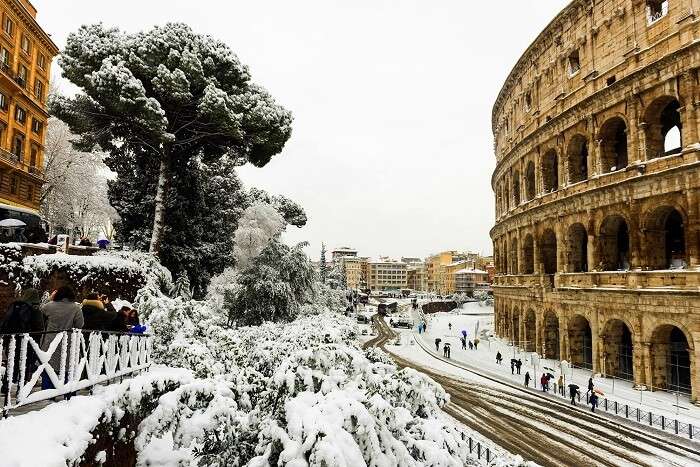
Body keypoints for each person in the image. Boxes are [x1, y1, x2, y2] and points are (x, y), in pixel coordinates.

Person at [0, 288, 44, 391]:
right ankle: (22, 386)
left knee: (12, 361)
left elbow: (6, 322)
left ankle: (6, 384)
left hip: (12, 339)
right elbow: (39, 327)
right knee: (25, 362)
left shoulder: (14, 305)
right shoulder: (35, 309)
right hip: (27, 341)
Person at [40, 286, 83, 390]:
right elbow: (80, 325)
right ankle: (68, 393)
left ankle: (48, 393)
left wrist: (50, 298)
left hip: (50, 341)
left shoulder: (49, 306)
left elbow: (40, 311)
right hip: (68, 342)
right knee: (68, 367)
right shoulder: (76, 308)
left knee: (49, 367)